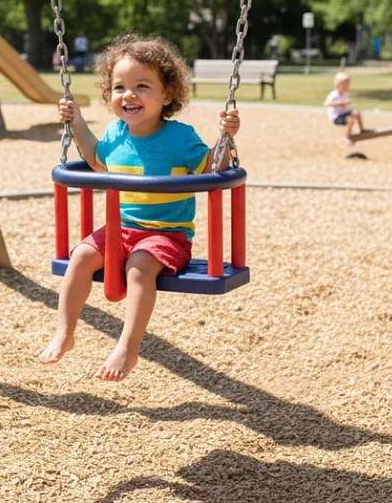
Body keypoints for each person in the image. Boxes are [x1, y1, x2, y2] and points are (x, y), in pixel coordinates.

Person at [39, 33, 241, 381]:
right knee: (81, 256)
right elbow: (96, 159)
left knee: (138, 266)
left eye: (142, 86)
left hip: (166, 235)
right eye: (119, 87)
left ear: (167, 95)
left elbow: (212, 169)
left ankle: (128, 347)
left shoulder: (180, 137)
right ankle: (65, 331)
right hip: (122, 229)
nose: (128, 95)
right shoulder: (117, 134)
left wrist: (226, 137)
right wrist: (76, 122)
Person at [324, 71, 366, 145]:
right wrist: (342, 102)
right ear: (338, 84)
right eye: (345, 85)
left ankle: (362, 130)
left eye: (348, 85)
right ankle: (346, 137)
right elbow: (327, 103)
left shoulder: (344, 94)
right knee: (350, 120)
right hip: (336, 116)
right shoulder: (334, 94)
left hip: (344, 113)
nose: (347, 87)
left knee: (357, 113)